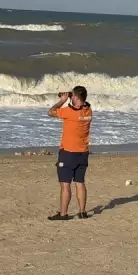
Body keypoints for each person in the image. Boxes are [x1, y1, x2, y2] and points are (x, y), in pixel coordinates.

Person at [46, 85, 93, 220]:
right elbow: (82, 105)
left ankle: (63, 213)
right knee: (80, 182)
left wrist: (63, 100)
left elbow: (50, 112)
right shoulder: (88, 111)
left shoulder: (70, 112)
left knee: (65, 184)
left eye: (73, 97)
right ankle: (82, 212)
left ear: (76, 98)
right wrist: (72, 98)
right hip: (83, 152)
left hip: (68, 152)